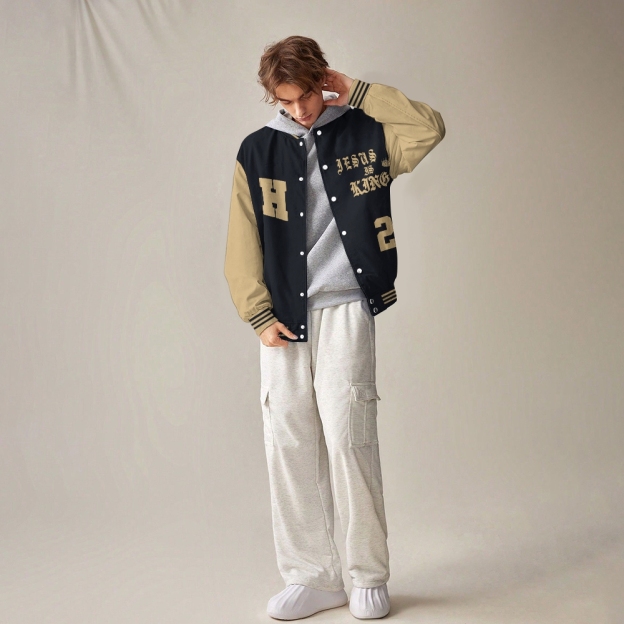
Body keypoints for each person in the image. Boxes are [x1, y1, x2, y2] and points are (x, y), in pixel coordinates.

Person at [224, 35, 445, 620]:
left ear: (323, 79)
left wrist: (359, 92)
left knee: (351, 437)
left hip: (346, 306)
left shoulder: (365, 133)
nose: (299, 110)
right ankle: (312, 576)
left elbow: (428, 129)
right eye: (285, 101)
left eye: (306, 95)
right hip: (282, 318)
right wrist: (257, 313)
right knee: (289, 443)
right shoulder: (258, 149)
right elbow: (242, 236)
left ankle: (368, 573)